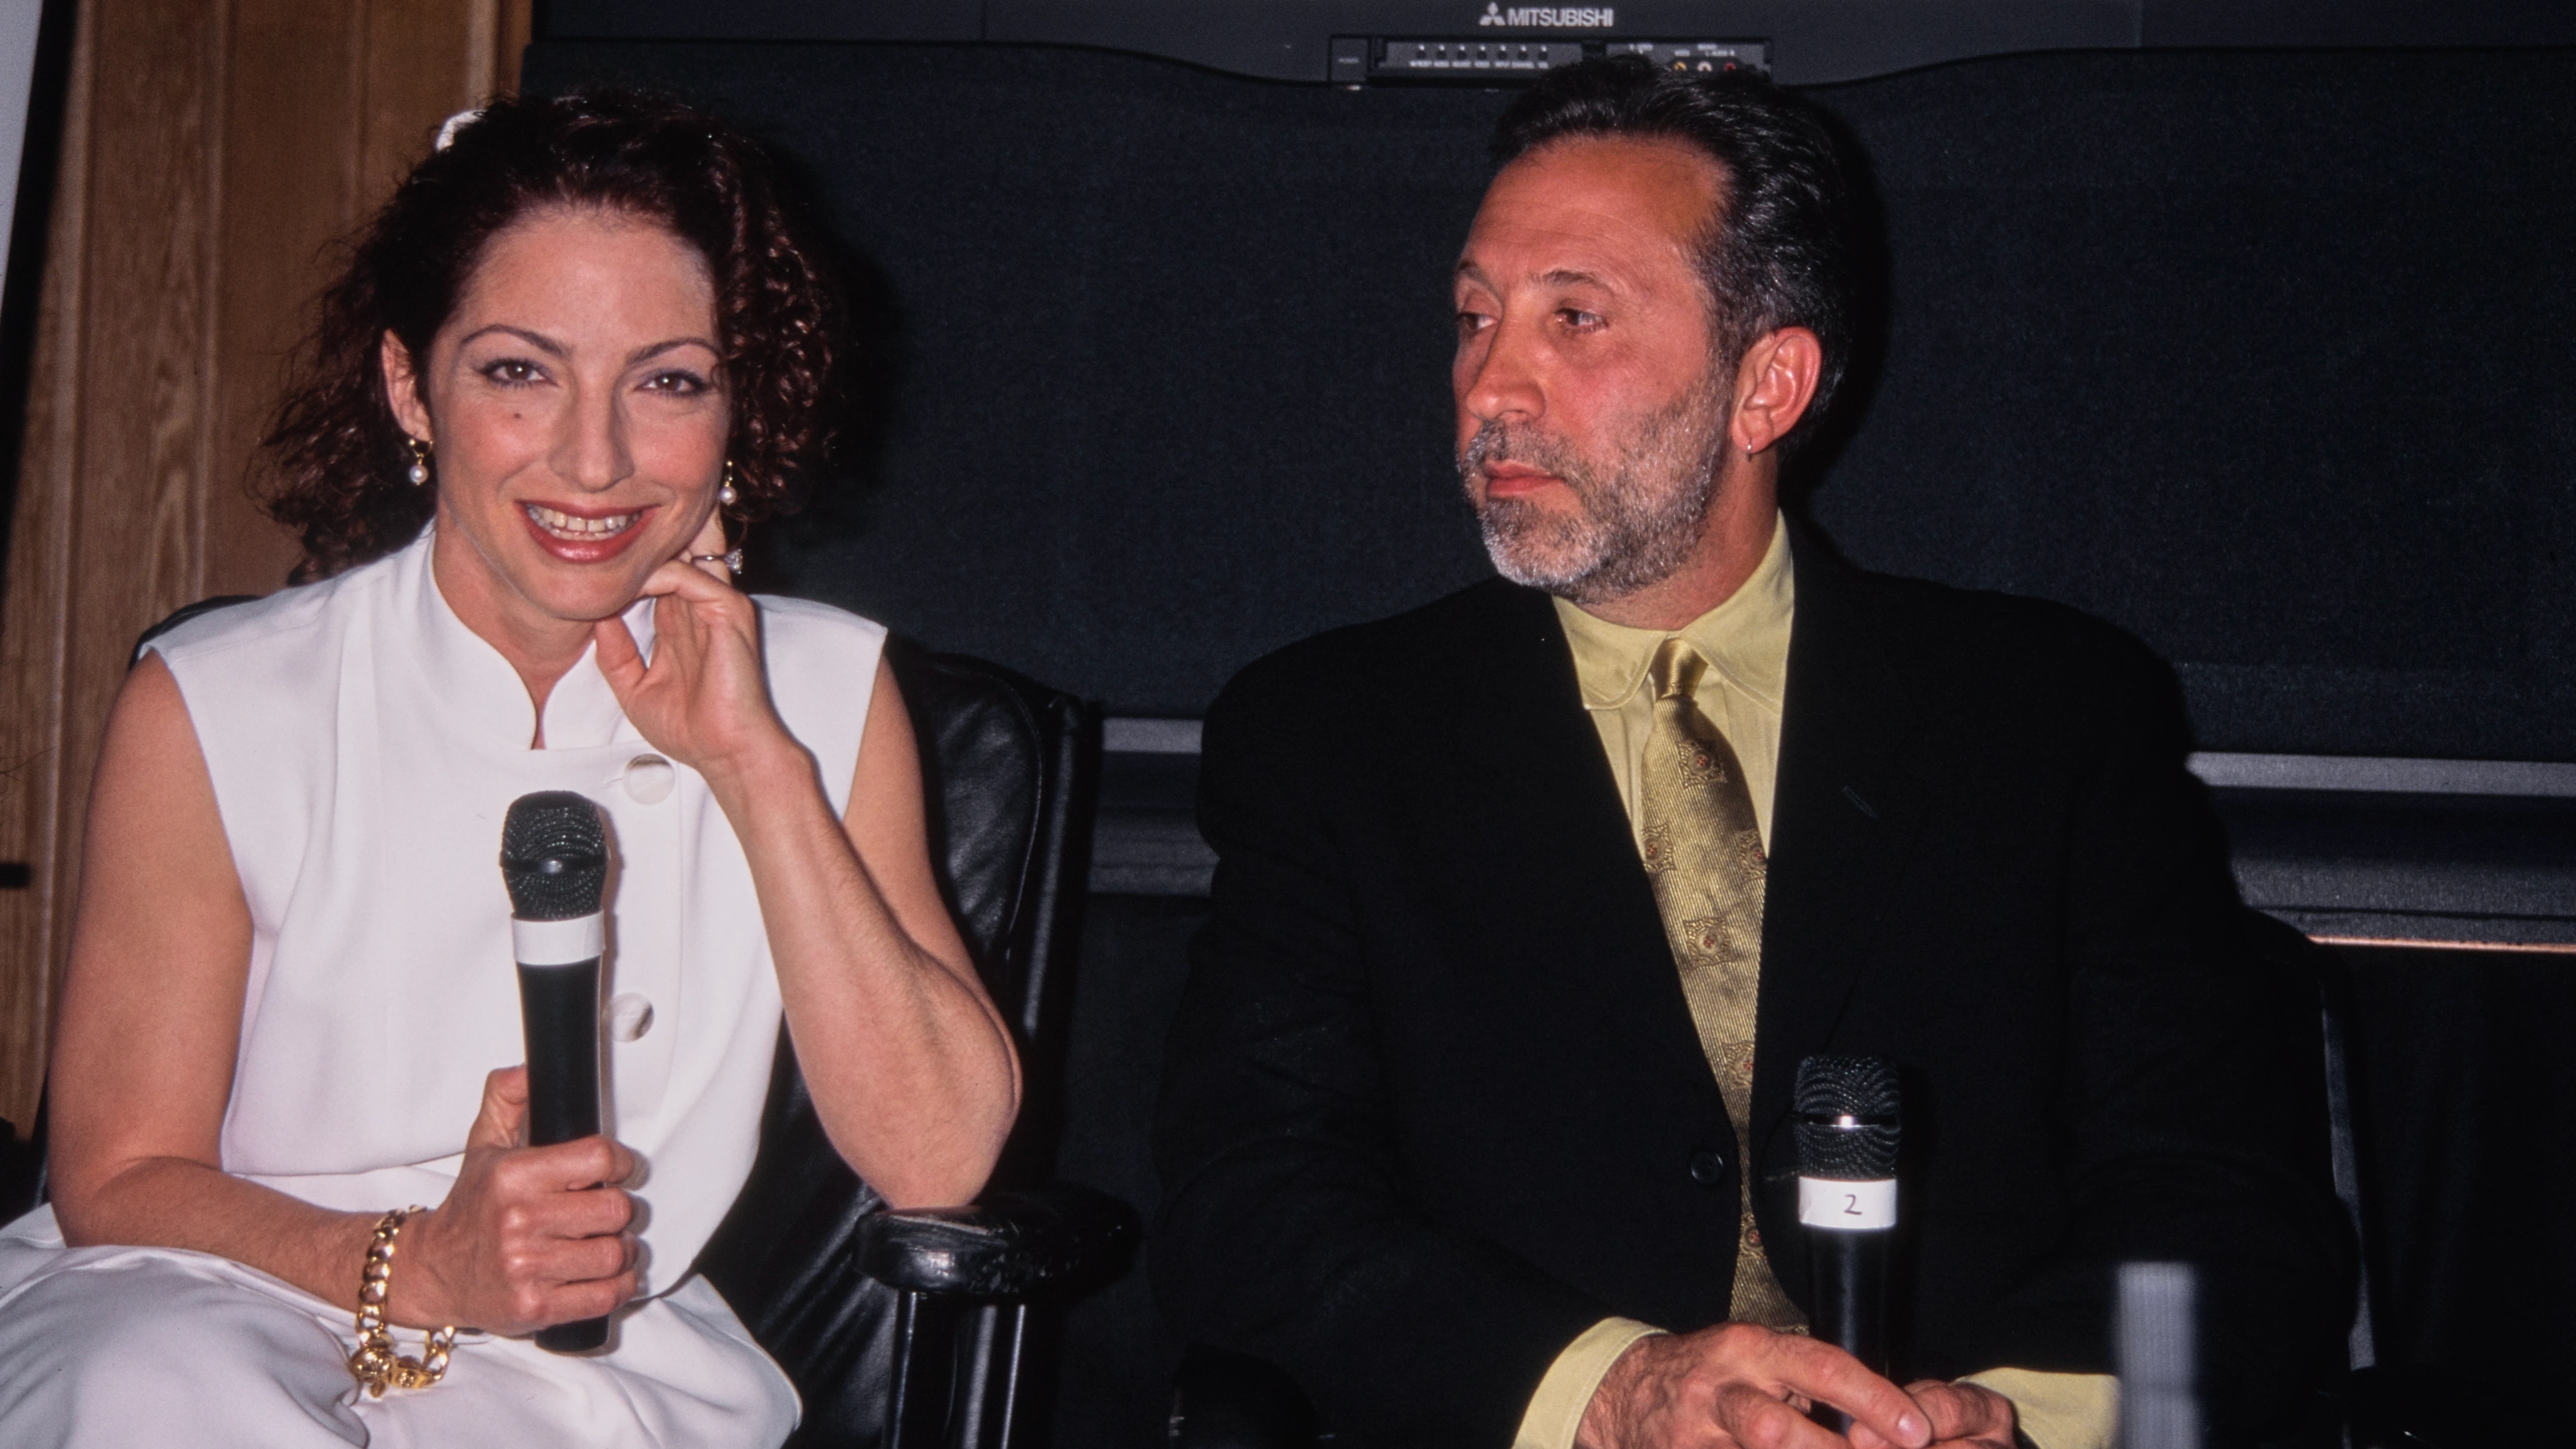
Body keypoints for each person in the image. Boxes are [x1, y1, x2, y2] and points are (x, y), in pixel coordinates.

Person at [1152, 58, 2342, 1449]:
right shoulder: (1332, 736)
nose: (1491, 387)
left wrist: (2021, 1418)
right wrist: (1608, 1392)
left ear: (1766, 383)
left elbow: (2219, 1195)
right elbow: (1250, 1203)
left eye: (1574, 318)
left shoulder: (2049, 714)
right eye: (1474, 318)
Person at [0, 91, 1020, 1445]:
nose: (594, 460)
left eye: (667, 381)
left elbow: (939, 1156)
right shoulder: (219, 698)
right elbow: (117, 1175)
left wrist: (754, 765)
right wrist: (421, 1262)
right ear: (411, 385)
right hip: (202, 1296)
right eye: (519, 372)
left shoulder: (825, 694)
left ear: (735, 407)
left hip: (576, 1360)